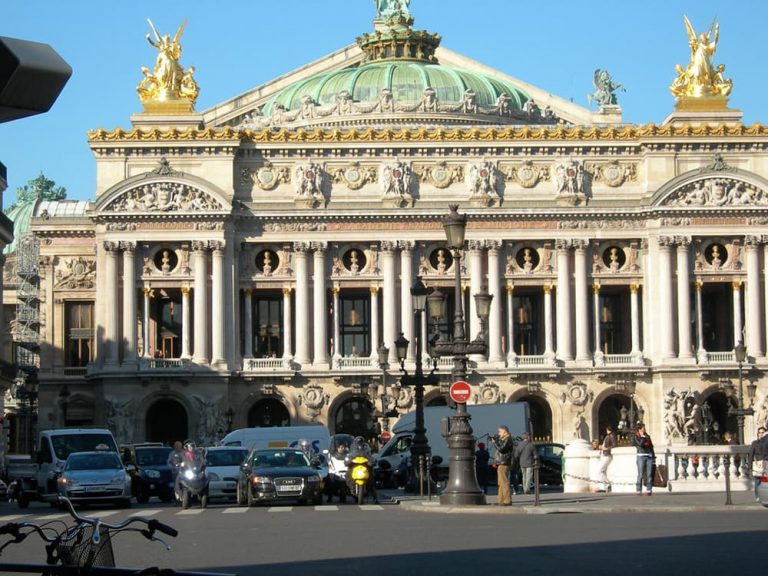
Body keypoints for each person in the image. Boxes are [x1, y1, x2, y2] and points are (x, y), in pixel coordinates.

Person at [346, 436, 378, 504]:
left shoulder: (366, 449)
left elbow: (370, 457)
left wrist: (371, 462)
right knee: (348, 475)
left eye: (361, 442)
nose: (359, 444)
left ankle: (375, 498)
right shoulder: (353, 449)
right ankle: (352, 489)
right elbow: (348, 458)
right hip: (354, 466)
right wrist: (349, 461)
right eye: (358, 442)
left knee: (371, 480)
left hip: (365, 466)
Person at [491, 426, 515, 506]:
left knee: (504, 482)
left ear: (505, 432)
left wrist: (495, 443)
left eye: (500, 432)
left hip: (504, 463)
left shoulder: (508, 439)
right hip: (501, 462)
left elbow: (501, 449)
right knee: (500, 482)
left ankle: (507, 500)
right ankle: (501, 500)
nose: (499, 433)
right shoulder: (504, 439)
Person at [632, 423, 655, 496]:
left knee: (649, 474)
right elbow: (640, 444)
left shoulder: (647, 436)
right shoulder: (636, 437)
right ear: (640, 429)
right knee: (640, 474)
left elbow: (651, 446)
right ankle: (638, 490)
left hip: (649, 456)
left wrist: (653, 456)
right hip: (641, 456)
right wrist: (643, 437)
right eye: (643, 428)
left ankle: (649, 489)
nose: (645, 429)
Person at [748, 427, 766, 502]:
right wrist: (750, 467)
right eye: (760, 432)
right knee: (757, 481)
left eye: (763, 432)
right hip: (758, 464)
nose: (761, 434)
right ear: (757, 434)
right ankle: (758, 496)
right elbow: (751, 455)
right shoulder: (755, 443)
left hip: (766, 464)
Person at [598, 425, 617, 492]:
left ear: (607, 429)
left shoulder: (611, 435)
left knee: (600, 471)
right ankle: (604, 486)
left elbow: (614, 445)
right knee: (602, 471)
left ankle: (607, 484)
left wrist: (606, 448)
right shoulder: (609, 436)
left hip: (607, 455)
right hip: (604, 454)